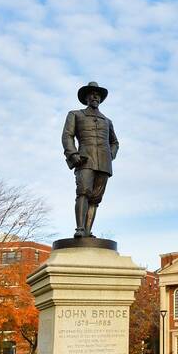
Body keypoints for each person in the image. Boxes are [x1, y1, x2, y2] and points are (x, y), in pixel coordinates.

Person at [61, 81, 119, 237]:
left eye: (98, 95)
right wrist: (73, 154)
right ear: (86, 98)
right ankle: (80, 229)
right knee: (83, 192)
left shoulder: (107, 121)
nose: (95, 97)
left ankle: (87, 231)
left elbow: (114, 142)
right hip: (85, 160)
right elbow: (67, 135)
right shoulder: (75, 114)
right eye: (92, 94)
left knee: (95, 199)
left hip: (104, 163)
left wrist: (111, 154)